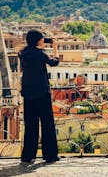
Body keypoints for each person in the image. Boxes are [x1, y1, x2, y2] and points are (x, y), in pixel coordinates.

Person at [19, 29, 60, 164]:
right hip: (42, 93)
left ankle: (28, 155)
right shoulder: (40, 54)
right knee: (47, 124)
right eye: (42, 38)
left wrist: (40, 46)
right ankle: (50, 155)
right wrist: (55, 47)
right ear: (37, 40)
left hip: (28, 93)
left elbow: (31, 53)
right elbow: (54, 62)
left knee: (30, 125)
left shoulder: (22, 53)